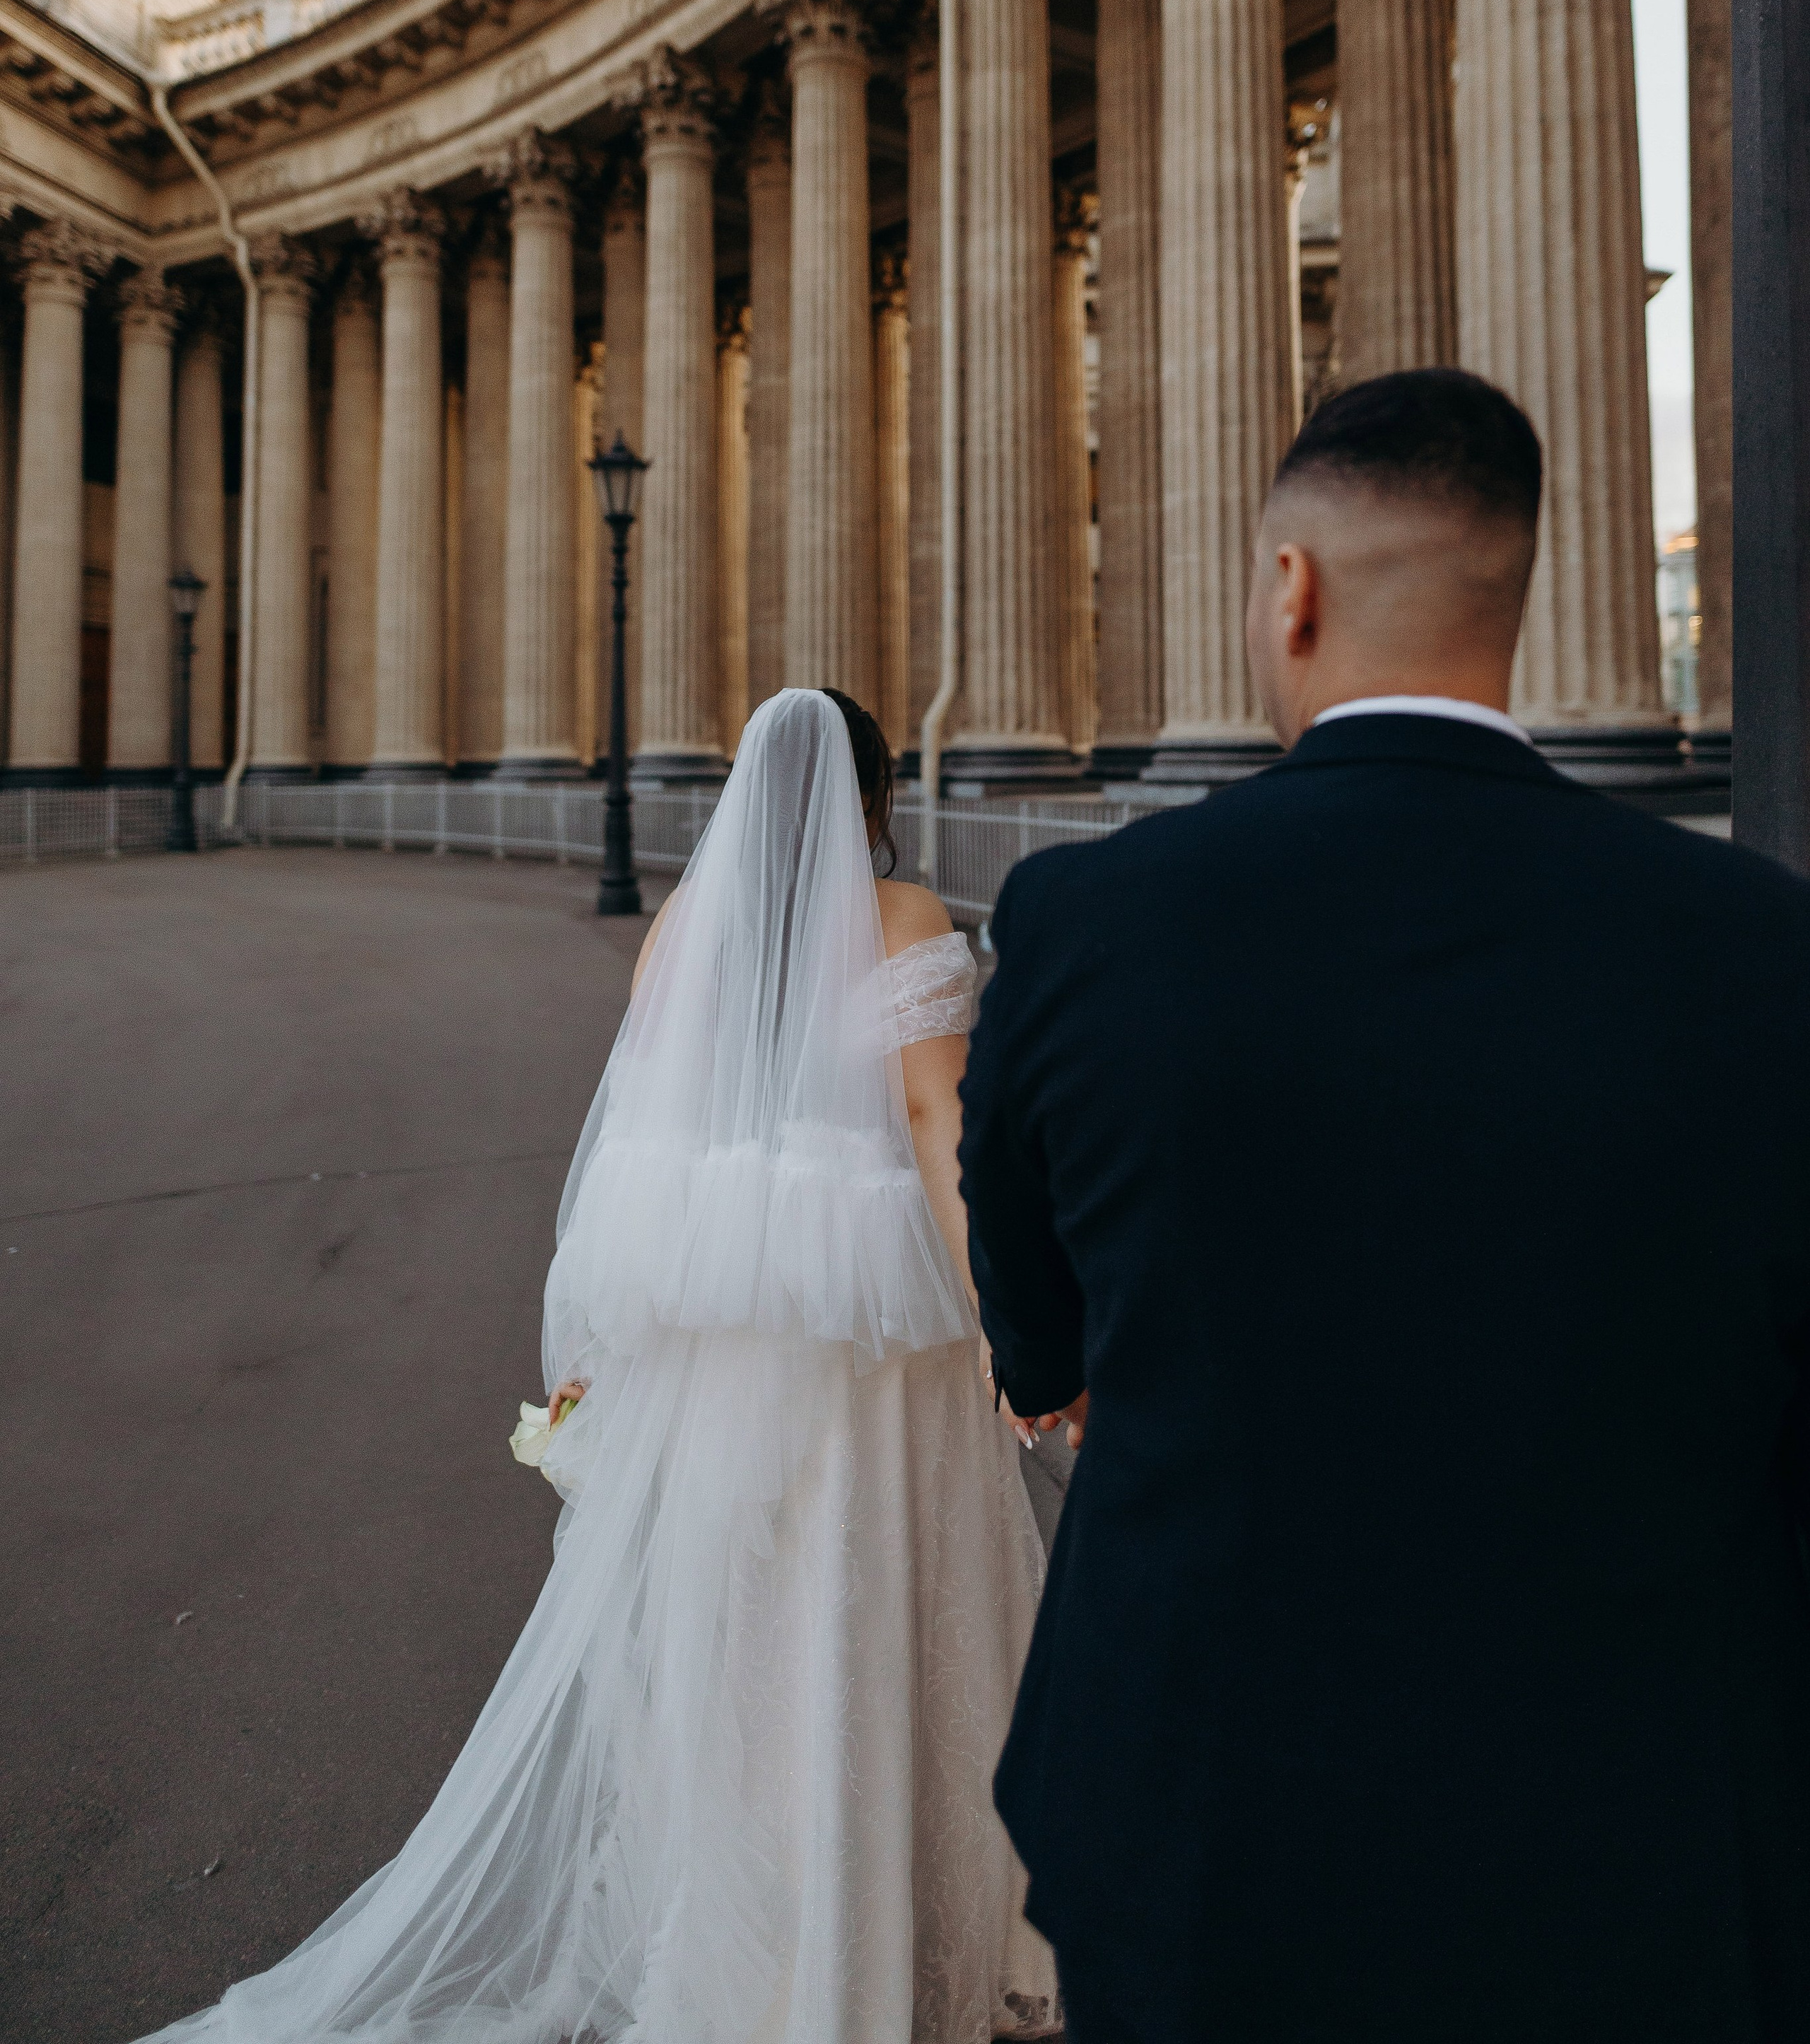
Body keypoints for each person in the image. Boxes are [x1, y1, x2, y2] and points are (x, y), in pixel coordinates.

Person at [960, 367, 1810, 2044]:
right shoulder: (1752, 941)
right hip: (1635, 1822)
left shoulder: (1089, 919)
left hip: (1200, 1803)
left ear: (1291, 590)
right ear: (1517, 594)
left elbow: (1034, 1319)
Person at [140, 687, 1058, 2044]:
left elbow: (631, 1138)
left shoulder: (687, 931)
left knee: (738, 1647)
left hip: (715, 1338)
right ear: (871, 799)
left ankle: (747, 1955)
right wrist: (1002, 1314)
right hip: (872, 1352)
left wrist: (601, 1359)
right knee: (869, 1614)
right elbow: (939, 1124)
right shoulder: (902, 919)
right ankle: (878, 1938)